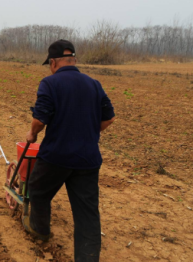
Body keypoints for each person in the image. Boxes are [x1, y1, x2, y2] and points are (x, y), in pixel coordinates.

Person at [23, 39, 115, 262]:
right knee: (87, 214)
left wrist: (32, 135)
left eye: (49, 64)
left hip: (56, 156)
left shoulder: (50, 83)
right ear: (73, 59)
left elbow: (40, 119)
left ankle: (40, 229)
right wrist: (88, 133)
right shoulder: (94, 83)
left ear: (53, 62)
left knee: (37, 189)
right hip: (88, 159)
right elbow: (109, 117)